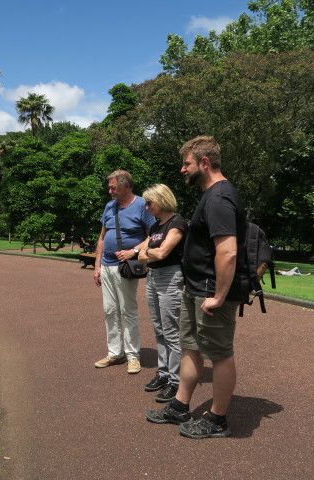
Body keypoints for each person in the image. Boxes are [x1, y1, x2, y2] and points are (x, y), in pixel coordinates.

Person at [146, 136, 248, 439]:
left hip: (210, 293)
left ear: (204, 163)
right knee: (190, 347)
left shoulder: (219, 198)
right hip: (195, 288)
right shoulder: (210, 195)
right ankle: (180, 406)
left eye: (186, 163)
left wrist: (218, 296)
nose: (182, 169)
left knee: (219, 353)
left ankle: (218, 420)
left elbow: (227, 251)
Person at [94, 170, 156, 374]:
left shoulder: (142, 205)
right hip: (107, 265)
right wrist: (97, 266)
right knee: (109, 310)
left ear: (126, 186)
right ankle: (115, 353)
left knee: (128, 311)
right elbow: (102, 238)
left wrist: (134, 251)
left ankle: (132, 356)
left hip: (126, 267)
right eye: (109, 186)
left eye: (113, 187)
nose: (109, 190)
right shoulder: (109, 206)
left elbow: (153, 237)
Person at [136, 184, 188, 402]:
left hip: (170, 277)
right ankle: (164, 373)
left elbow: (164, 252)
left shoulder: (178, 223)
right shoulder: (157, 227)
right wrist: (150, 253)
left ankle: (176, 381)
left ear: (162, 200)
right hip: (153, 277)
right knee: (159, 329)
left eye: (149, 203)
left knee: (171, 330)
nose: (146, 207)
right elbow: (141, 254)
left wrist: (148, 252)